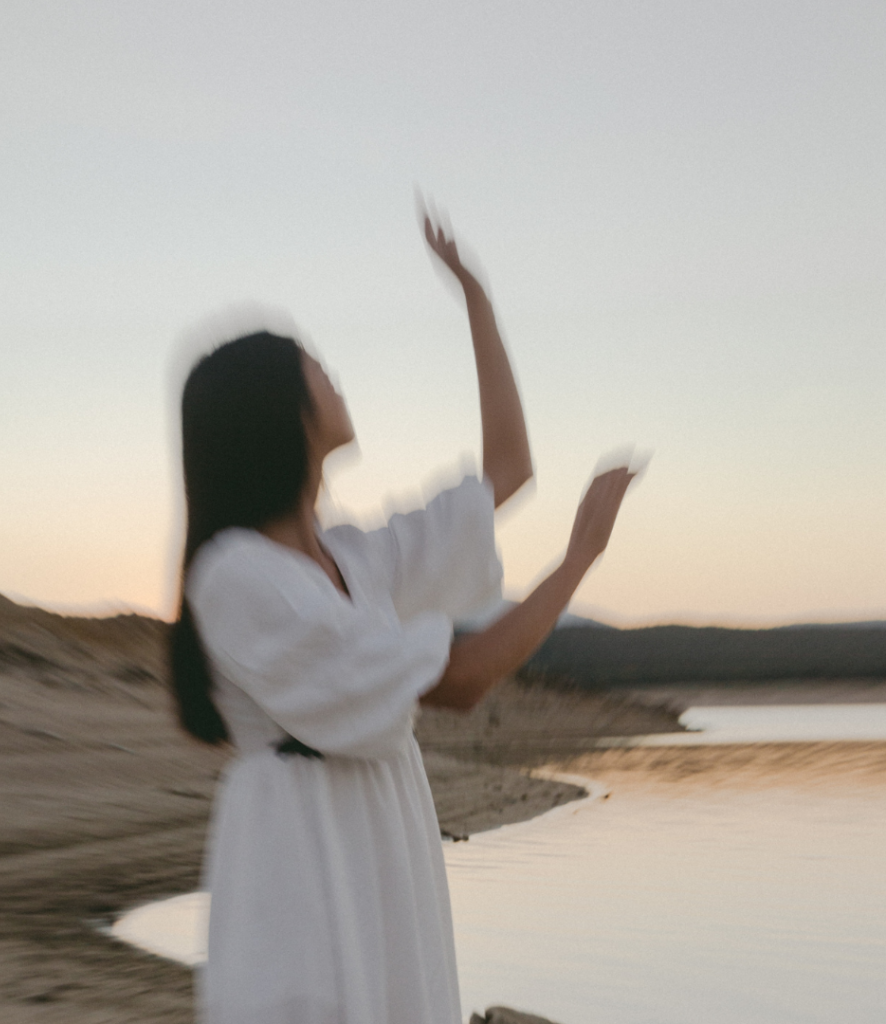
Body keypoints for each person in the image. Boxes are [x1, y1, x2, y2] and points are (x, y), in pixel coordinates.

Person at [170, 212, 636, 1024]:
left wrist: (477, 298)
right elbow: (458, 681)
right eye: (316, 366)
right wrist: (577, 560)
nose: (334, 373)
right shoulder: (235, 576)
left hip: (377, 839)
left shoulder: (356, 557)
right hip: (303, 857)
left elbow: (508, 469)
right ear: (278, 412)